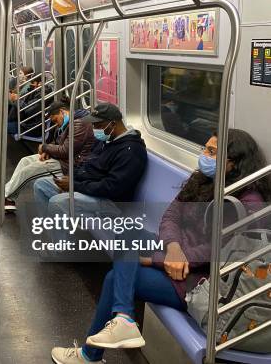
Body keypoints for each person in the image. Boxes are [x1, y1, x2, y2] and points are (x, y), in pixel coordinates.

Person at [50, 129, 270, 364]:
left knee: (116, 278)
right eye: (205, 148)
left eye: (211, 151)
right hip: (173, 252)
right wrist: (172, 248)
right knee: (129, 232)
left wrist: (155, 259)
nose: (204, 155)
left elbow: (219, 251)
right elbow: (171, 216)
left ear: (233, 163)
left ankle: (93, 352)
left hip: (199, 279)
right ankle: (123, 319)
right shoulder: (204, 180)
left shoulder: (249, 205)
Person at [0, 101, 95, 211]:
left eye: (55, 120)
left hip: (69, 164)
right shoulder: (69, 123)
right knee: (24, 161)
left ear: (62, 112)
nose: (56, 124)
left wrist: (45, 148)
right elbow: (59, 144)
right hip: (61, 159)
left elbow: (66, 150)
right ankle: (8, 199)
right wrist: (48, 151)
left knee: (28, 171)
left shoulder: (79, 124)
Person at [34, 102, 148, 217]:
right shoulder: (106, 141)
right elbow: (88, 164)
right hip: (88, 187)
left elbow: (112, 187)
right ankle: (49, 227)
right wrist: (72, 179)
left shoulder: (131, 151)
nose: (94, 129)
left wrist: (74, 186)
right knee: (41, 185)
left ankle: (61, 233)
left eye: (97, 125)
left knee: (57, 203)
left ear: (113, 124)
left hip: (109, 201)